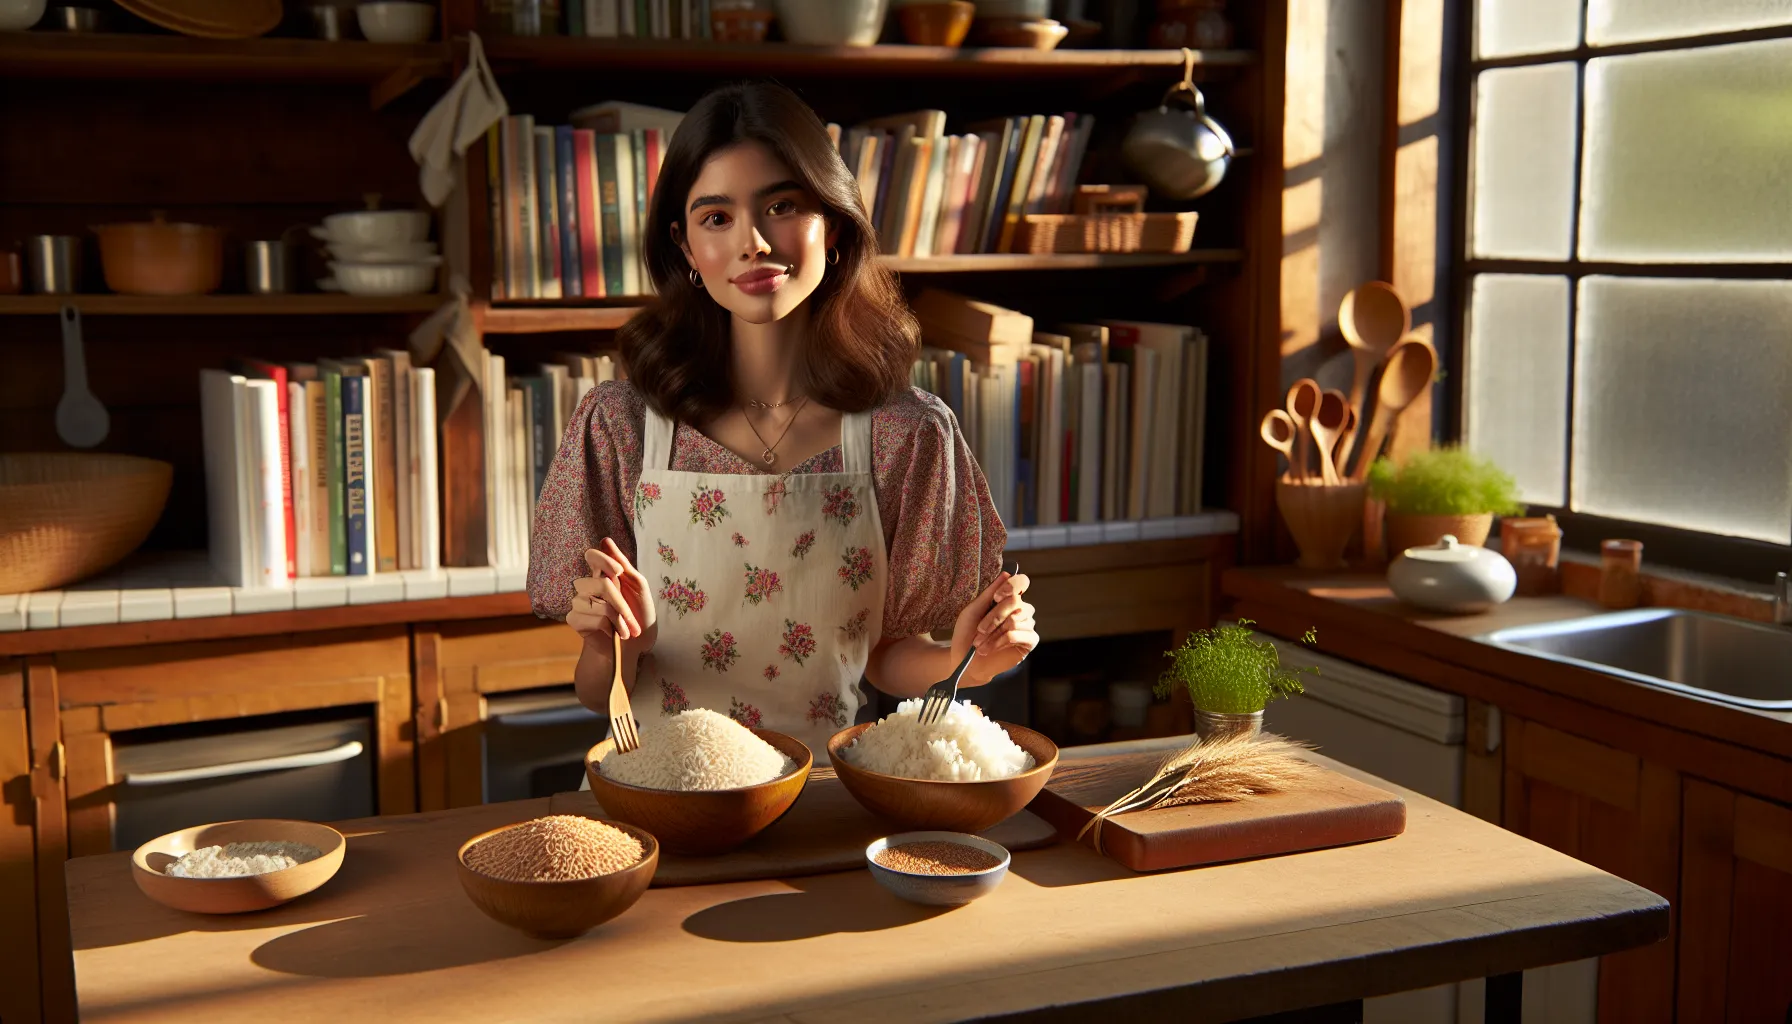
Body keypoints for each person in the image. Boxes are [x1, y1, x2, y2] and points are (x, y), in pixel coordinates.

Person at [528, 82, 1037, 757]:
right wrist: (612, 646)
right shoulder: (620, 427)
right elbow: (600, 693)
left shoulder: (906, 435)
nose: (754, 243)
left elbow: (886, 657)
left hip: (831, 791)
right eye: (717, 217)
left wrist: (970, 658)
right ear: (684, 246)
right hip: (667, 796)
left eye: (781, 206)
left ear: (832, 221)